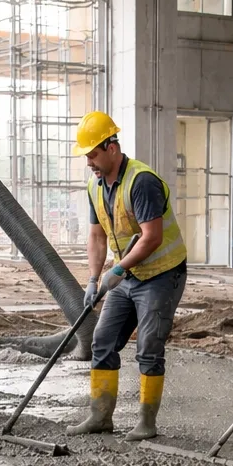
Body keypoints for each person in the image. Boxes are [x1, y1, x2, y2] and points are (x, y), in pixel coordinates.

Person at [66, 111, 188, 441]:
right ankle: (100, 417)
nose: (89, 162)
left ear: (112, 147)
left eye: (93, 154)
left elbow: (152, 237)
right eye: (87, 156)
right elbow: (97, 236)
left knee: (148, 346)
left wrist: (118, 269)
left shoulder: (141, 181)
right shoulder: (95, 186)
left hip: (161, 274)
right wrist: (93, 279)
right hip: (127, 277)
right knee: (102, 341)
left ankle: (147, 423)